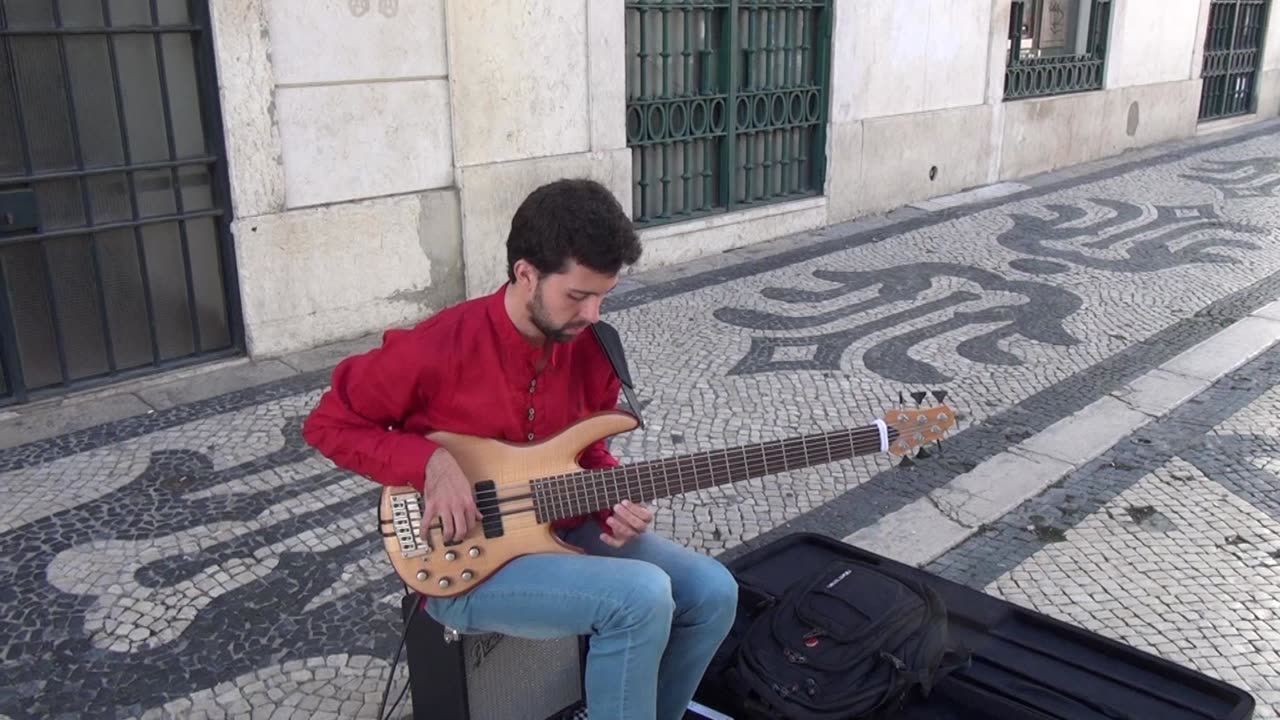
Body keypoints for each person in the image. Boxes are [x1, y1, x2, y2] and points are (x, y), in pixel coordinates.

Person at [301, 178, 739, 720]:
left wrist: (614, 504)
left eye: (604, 295)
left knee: (713, 591)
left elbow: (591, 456)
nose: (594, 314)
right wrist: (429, 463)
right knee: (641, 596)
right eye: (578, 295)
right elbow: (328, 423)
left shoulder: (594, 349)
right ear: (526, 273)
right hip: (464, 561)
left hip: (564, 527)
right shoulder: (436, 348)